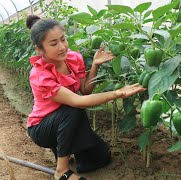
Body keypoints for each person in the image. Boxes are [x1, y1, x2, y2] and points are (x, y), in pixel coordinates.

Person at [25, 14, 145, 180]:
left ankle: (64, 151)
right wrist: (118, 93)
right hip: (43, 127)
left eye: (63, 39)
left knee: (101, 156)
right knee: (73, 110)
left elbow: (85, 90)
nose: (62, 47)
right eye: (54, 43)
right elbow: (79, 101)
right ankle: (62, 170)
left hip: (69, 122)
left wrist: (95, 64)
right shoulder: (40, 74)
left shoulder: (73, 58)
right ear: (39, 49)